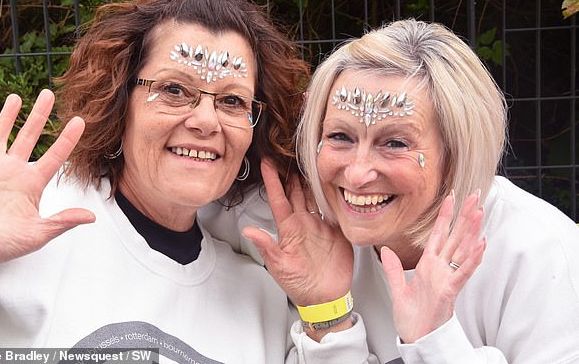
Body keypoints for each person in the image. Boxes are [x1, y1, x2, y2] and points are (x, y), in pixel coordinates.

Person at [0, 0, 321, 364]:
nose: (207, 122)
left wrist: (329, 315)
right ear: (119, 101)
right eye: (174, 89)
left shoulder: (259, 300)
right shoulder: (18, 231)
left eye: (232, 101)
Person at [237, 19, 579, 363]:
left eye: (395, 143)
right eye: (341, 137)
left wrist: (435, 340)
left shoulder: (542, 254)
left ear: (456, 153)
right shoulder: (313, 241)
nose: (356, 174)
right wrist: (328, 315)